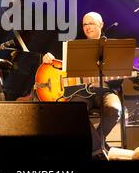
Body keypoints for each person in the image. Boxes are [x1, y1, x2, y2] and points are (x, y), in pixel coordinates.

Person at [42, 12, 122, 158]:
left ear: (101, 24)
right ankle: (98, 150)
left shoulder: (112, 46)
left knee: (114, 109)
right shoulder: (75, 45)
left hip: (105, 91)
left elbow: (119, 79)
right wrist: (49, 58)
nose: (87, 27)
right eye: (84, 24)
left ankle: (96, 144)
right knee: (73, 111)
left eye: (91, 23)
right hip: (81, 92)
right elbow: (59, 65)